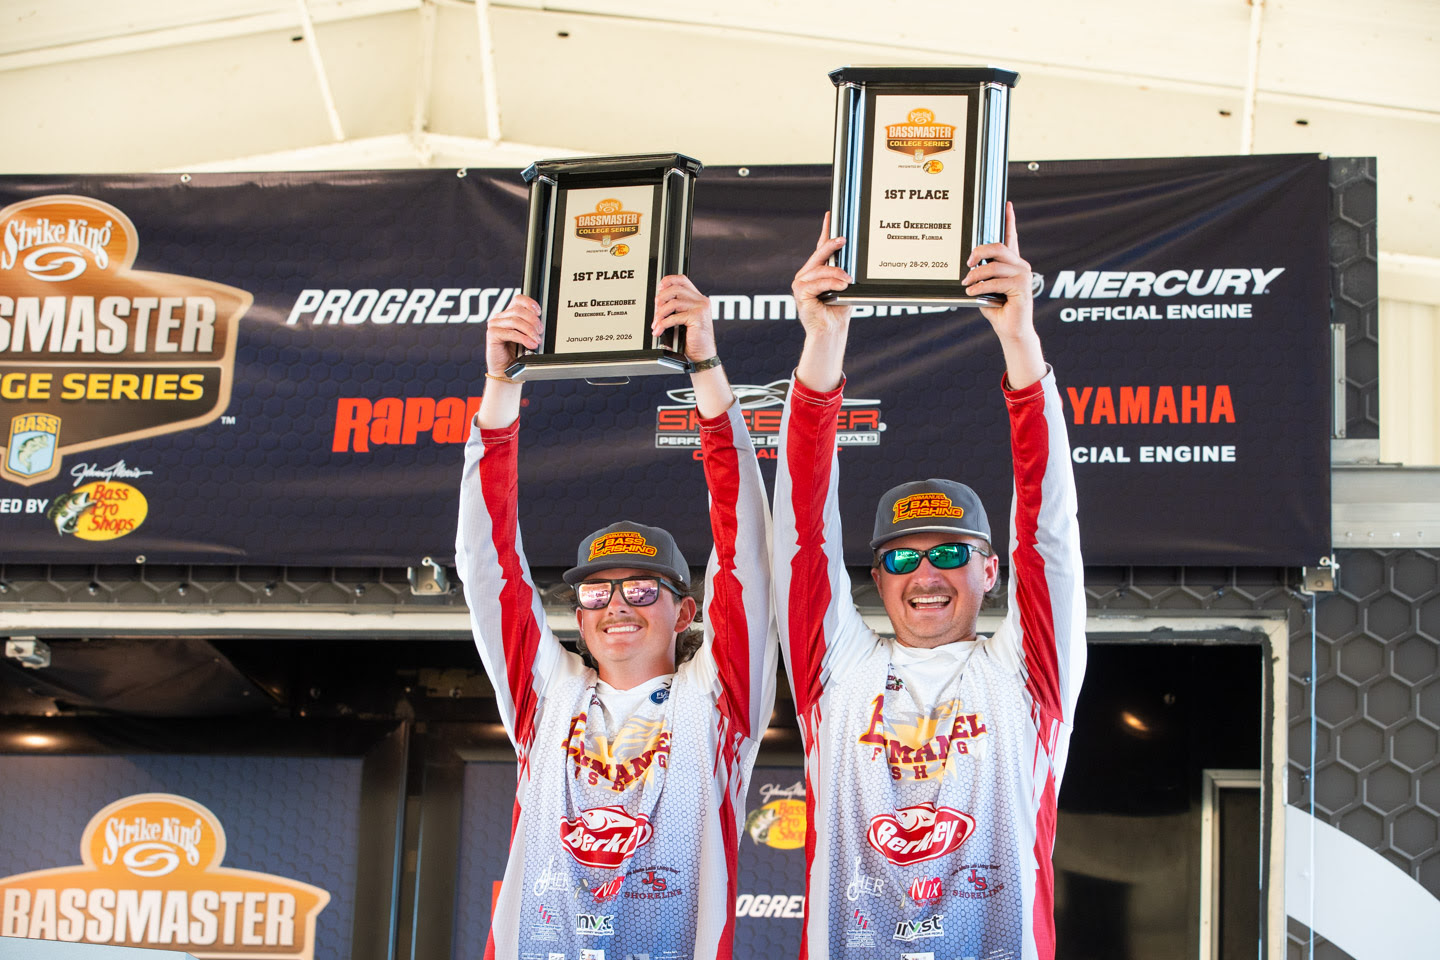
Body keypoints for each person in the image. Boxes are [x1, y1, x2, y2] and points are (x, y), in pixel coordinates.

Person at [773, 205, 1085, 960]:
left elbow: (1047, 533)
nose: (925, 574)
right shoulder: (835, 672)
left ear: (990, 570)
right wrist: (823, 341)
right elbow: (803, 531)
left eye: (949, 553)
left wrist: (1020, 341)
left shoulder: (1030, 677)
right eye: (902, 558)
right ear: (877, 579)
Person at [457, 277, 776, 960]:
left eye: (640, 588)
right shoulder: (547, 695)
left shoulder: (719, 700)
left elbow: (746, 551)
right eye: (597, 594)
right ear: (578, 618)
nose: (618, 605)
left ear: (686, 611)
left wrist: (706, 369)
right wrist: (501, 385)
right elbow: (487, 565)